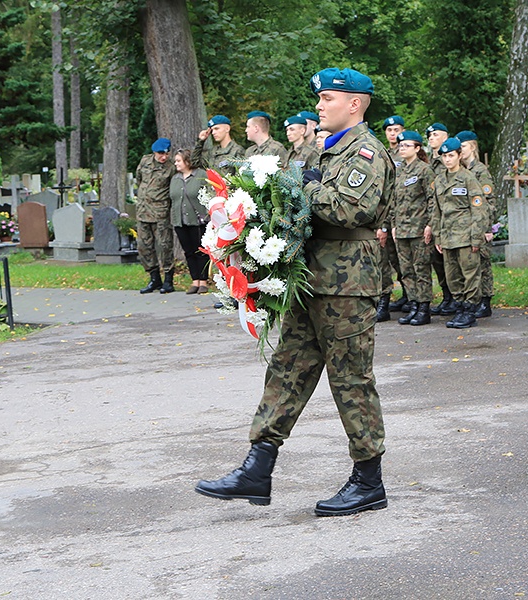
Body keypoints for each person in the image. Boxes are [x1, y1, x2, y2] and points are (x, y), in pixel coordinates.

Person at [195, 67, 395, 517]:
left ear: (355, 104)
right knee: (287, 369)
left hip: (347, 283)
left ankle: (369, 481)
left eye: (327, 98)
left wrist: (296, 188)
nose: (320, 105)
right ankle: (257, 466)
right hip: (311, 278)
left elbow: (348, 208)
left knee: (351, 380)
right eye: (320, 99)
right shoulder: (322, 152)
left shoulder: (365, 152)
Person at [431, 137, 488, 329]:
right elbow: (437, 211)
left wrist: (476, 237)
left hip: (465, 235)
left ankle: (470, 309)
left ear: (459, 156)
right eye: (444, 156)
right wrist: (437, 236)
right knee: (452, 275)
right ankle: (460, 306)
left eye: (450, 156)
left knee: (470, 274)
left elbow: (479, 209)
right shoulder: (439, 180)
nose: (447, 160)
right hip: (447, 237)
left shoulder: (468, 179)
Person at [392, 130, 435, 325]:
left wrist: (430, 224)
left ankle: (424, 308)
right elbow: (394, 201)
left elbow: (432, 199)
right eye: (401, 146)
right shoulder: (399, 171)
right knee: (406, 270)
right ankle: (414, 304)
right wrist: (393, 225)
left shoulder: (424, 170)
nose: (402, 148)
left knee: (421, 269)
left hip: (419, 228)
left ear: (417, 148)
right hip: (402, 229)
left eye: (407, 146)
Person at [457, 130, 497, 318]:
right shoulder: (463, 171)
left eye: (463, 146)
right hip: (468, 226)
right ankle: (475, 299)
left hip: (480, 226)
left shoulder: (480, 171)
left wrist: (487, 228)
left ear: (472, 147)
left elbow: (488, 201)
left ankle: (485, 301)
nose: (460, 150)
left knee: (483, 264)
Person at [135, 138, 176, 294]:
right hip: (143, 211)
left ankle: (168, 280)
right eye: (160, 153)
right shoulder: (145, 161)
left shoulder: (171, 167)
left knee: (165, 246)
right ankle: (154, 279)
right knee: (144, 246)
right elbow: (139, 179)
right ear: (154, 152)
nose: (163, 157)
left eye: (166, 153)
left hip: (160, 213)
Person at [376, 116, 407, 319]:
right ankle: (385, 300)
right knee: (386, 260)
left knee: (403, 262)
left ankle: (410, 295)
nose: (393, 133)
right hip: (387, 214)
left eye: (396, 129)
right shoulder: (384, 154)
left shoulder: (407, 152)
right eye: (389, 130)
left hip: (405, 215)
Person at [170, 148, 210, 294]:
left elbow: (208, 195)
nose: (176, 164)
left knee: (200, 251)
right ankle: (195, 281)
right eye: (175, 161)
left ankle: (204, 281)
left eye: (179, 161)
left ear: (187, 161)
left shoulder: (200, 175)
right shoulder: (175, 179)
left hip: (198, 220)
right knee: (188, 252)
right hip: (180, 221)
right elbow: (173, 199)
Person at [425, 122, 454, 314]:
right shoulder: (428, 161)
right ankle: (446, 295)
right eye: (430, 135)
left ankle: (455, 297)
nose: (431, 138)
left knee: (450, 261)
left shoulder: (450, 160)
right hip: (432, 216)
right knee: (436, 259)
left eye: (436, 134)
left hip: (449, 217)